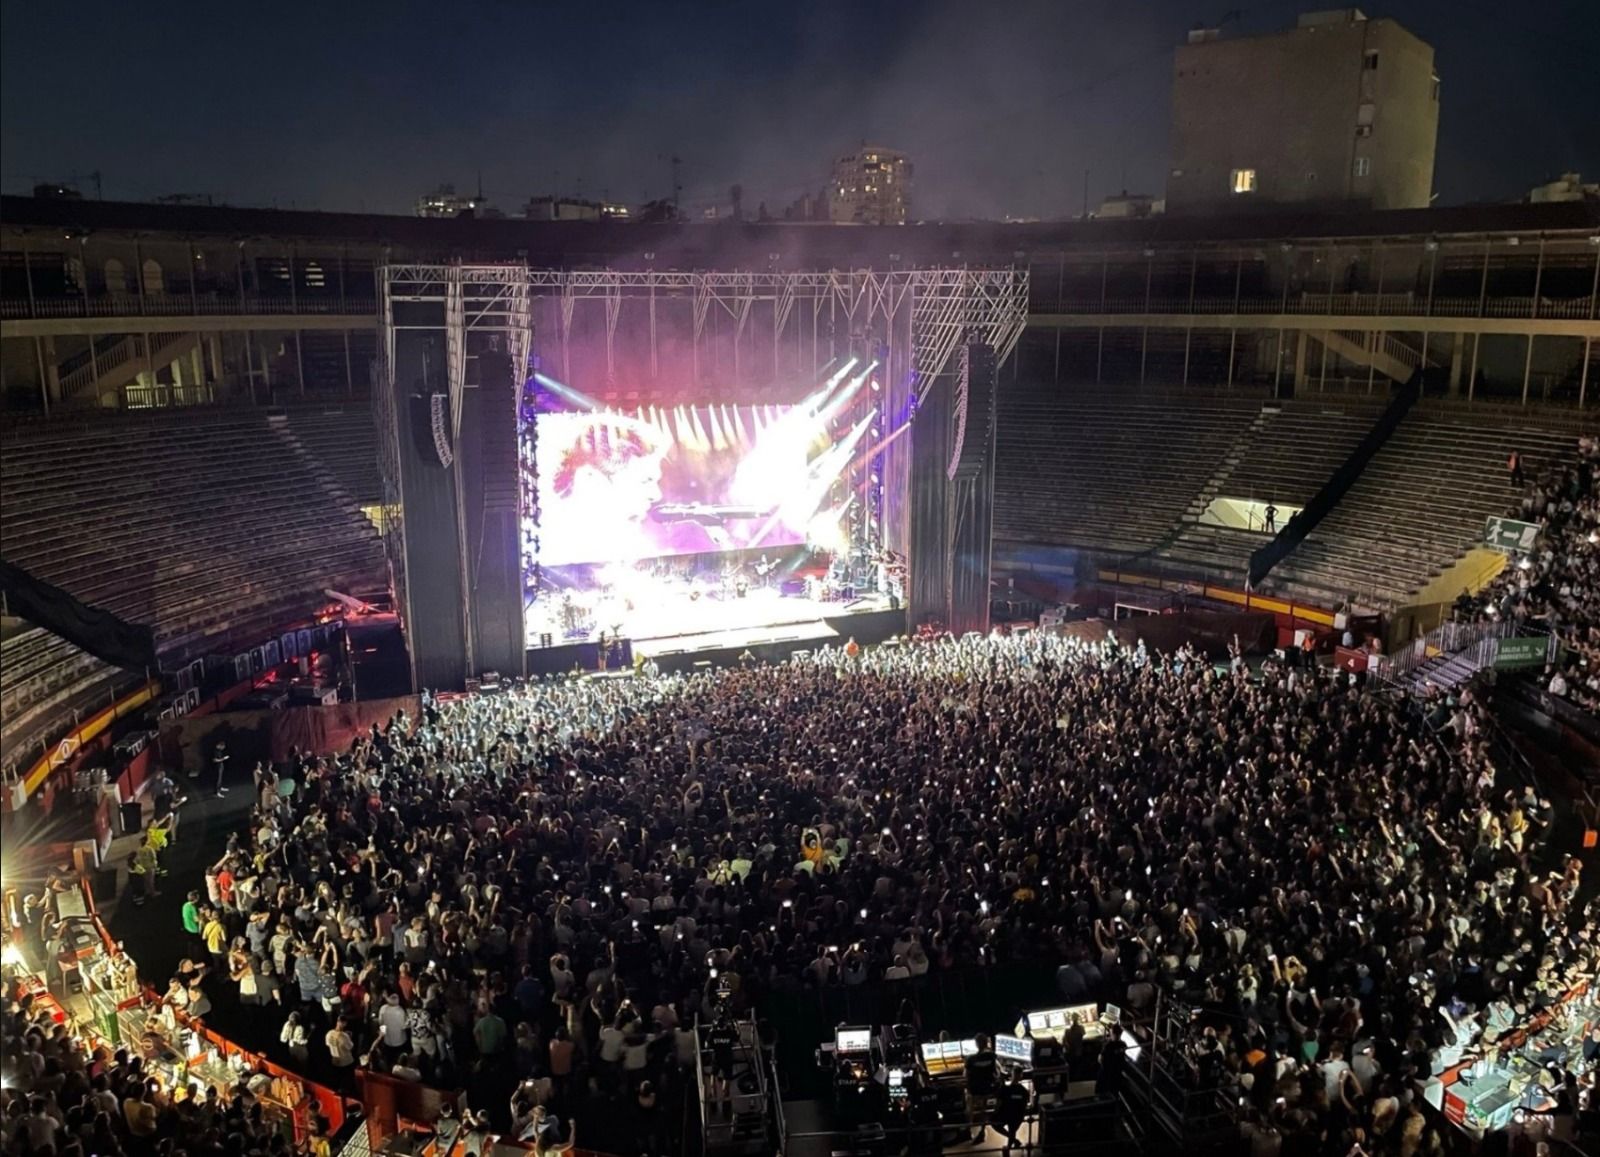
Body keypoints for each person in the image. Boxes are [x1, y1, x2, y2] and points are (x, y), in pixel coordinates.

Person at [995, 1068, 1031, 1151]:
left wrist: (995, 1112)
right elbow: (1024, 1106)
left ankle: (1012, 1143)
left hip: (1005, 1113)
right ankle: (1010, 1145)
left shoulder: (1005, 1089)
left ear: (1012, 1075)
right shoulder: (1024, 1091)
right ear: (1021, 1076)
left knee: (995, 1124)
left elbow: (998, 1103)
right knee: (1012, 1130)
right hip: (1017, 1116)